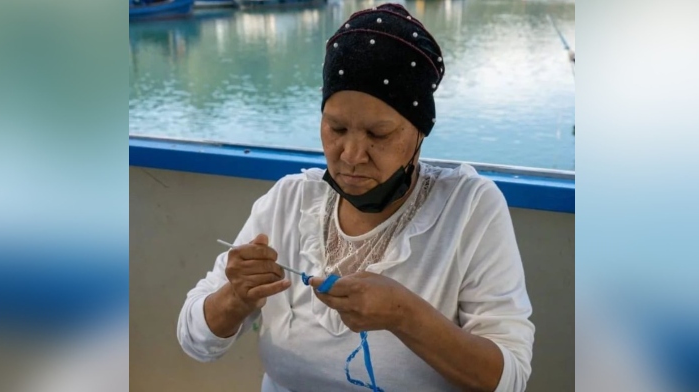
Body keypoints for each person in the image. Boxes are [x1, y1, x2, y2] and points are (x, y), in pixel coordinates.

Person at [177, 4, 534, 391]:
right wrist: (235, 297)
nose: (350, 155)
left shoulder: (469, 209)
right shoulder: (289, 200)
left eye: (378, 135)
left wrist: (404, 315)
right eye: (336, 127)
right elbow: (195, 341)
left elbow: (508, 379)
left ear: (419, 133)